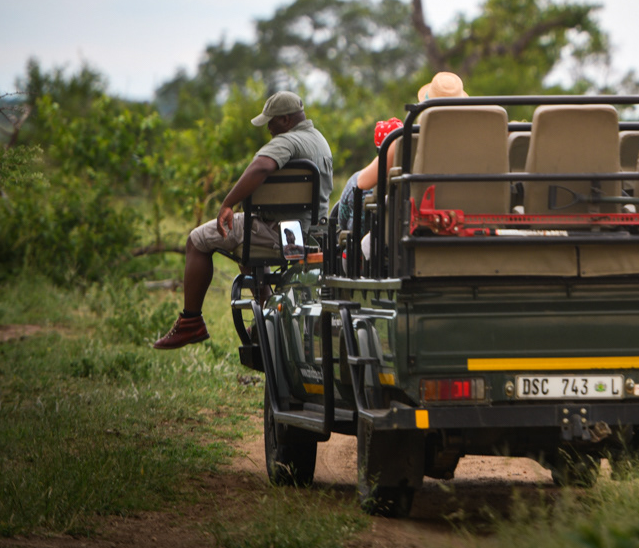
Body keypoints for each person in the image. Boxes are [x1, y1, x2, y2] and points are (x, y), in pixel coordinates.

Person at [154, 91, 333, 350]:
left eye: (271, 121)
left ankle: (190, 321)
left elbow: (261, 166)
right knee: (245, 240)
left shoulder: (288, 142)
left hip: (278, 234)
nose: (269, 128)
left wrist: (227, 203)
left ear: (285, 119)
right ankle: (268, 316)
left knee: (196, 240)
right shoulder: (320, 141)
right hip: (309, 236)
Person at [335, 72, 467, 234]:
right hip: (471, 219)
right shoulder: (482, 143)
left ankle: (347, 247)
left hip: (416, 225)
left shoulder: (403, 141)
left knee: (355, 182)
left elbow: (363, 183)